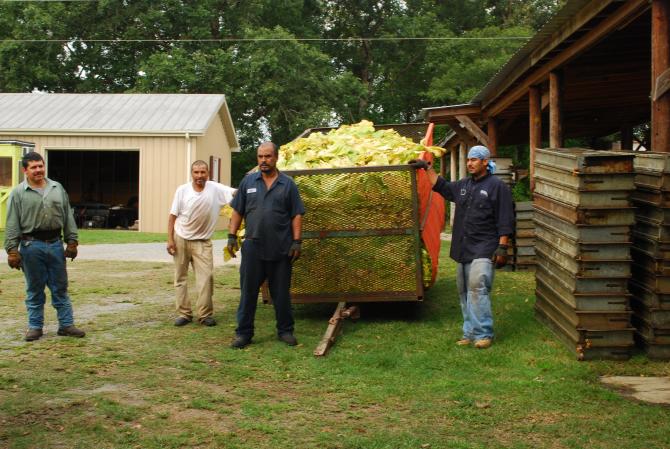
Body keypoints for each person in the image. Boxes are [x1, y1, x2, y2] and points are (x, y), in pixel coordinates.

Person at [412, 145, 514, 349]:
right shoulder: (464, 185)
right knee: (464, 292)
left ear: (485, 162)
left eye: (474, 159)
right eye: (468, 159)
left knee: (478, 288)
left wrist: (502, 247)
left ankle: (484, 333)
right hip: (464, 247)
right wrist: (426, 167)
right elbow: (441, 186)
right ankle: (469, 332)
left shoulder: (497, 186)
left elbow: (505, 218)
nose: (469, 163)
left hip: (485, 246)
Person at [226, 142, 305, 349]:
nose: (263, 161)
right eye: (260, 157)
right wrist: (231, 236)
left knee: (281, 294)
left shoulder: (287, 184)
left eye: (268, 156)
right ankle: (243, 334)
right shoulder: (248, 182)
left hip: (281, 248)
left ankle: (285, 331)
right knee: (248, 292)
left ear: (276, 158)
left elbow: (296, 214)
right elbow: (237, 211)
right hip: (253, 247)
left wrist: (297, 241)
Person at [4, 152, 85, 341]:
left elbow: (67, 216)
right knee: (34, 288)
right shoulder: (18, 193)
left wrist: (72, 241)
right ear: (25, 170)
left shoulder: (57, 188)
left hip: (56, 244)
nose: (38, 170)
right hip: (31, 246)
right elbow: (12, 223)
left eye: (40, 166)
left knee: (60, 287)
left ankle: (66, 325)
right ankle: (35, 327)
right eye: (33, 167)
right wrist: (12, 251)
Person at [167, 160, 236, 327]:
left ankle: (205, 315)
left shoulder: (216, 189)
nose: (199, 176)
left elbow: (236, 193)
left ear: (208, 174)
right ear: (192, 174)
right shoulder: (182, 190)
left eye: (203, 172)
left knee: (206, 278)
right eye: (196, 172)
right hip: (181, 238)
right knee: (180, 277)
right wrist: (170, 239)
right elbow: (172, 216)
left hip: (203, 242)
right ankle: (184, 314)